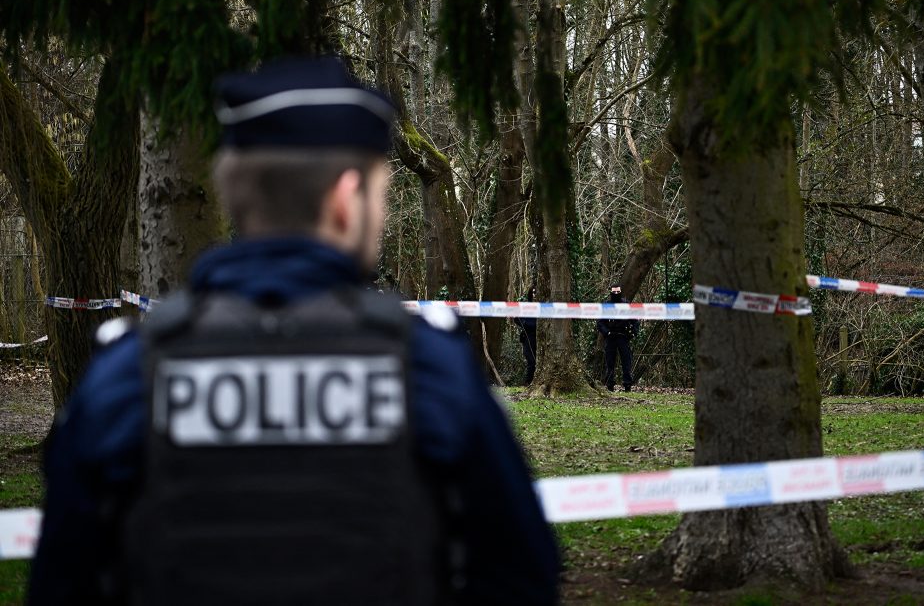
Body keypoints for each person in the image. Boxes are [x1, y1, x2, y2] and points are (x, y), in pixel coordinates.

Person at [28, 57, 559, 606]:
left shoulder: (125, 377)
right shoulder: (432, 372)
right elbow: (521, 579)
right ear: (345, 201)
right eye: (381, 193)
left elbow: (61, 583)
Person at [596, 284, 639, 392]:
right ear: (611, 292)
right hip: (610, 337)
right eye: (614, 292)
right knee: (610, 362)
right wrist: (607, 332)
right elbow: (600, 322)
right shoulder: (606, 306)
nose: (616, 294)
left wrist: (632, 333)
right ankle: (610, 385)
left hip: (623, 337)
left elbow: (635, 320)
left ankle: (627, 385)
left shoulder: (626, 305)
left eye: (617, 292)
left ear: (620, 292)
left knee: (626, 362)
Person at [513, 287, 537, 386]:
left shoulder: (544, 306)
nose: (535, 295)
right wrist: (524, 323)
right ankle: (528, 382)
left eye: (537, 292)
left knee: (536, 360)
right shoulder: (526, 306)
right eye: (533, 292)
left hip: (539, 336)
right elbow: (516, 318)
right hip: (528, 336)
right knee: (530, 359)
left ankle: (530, 381)